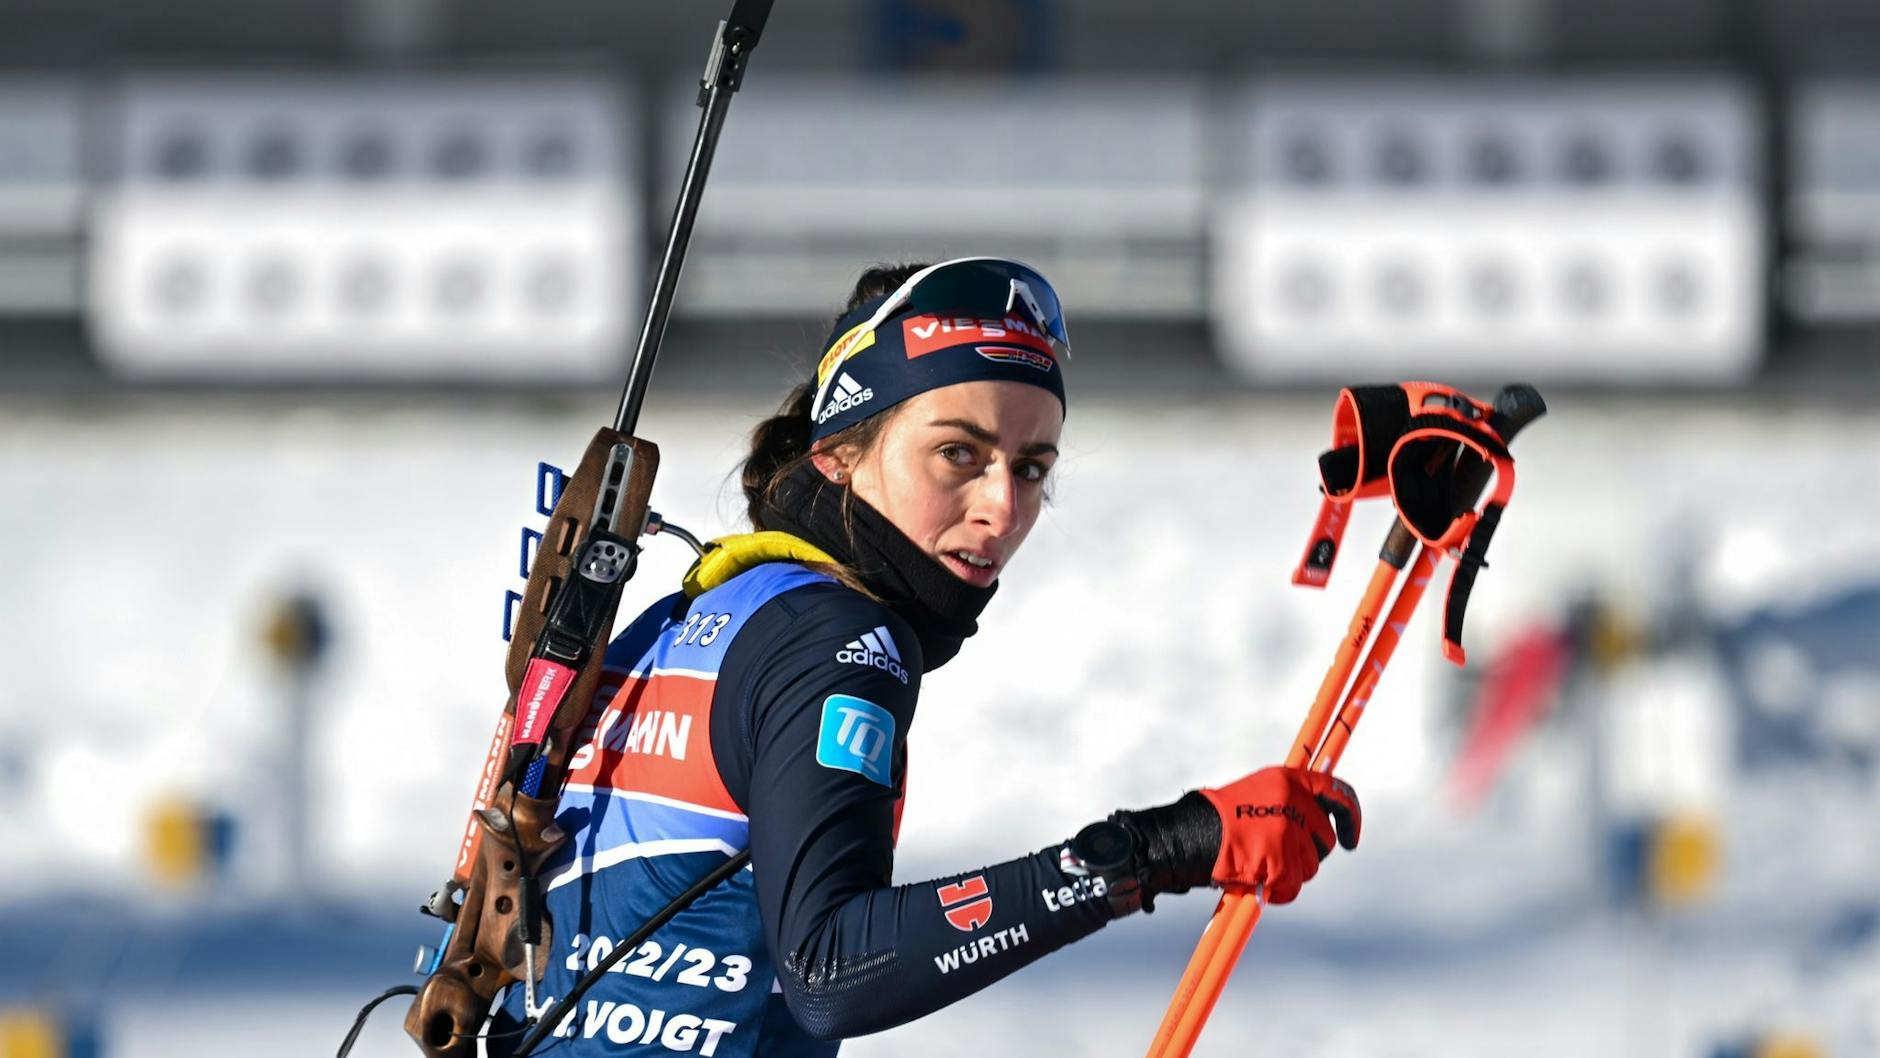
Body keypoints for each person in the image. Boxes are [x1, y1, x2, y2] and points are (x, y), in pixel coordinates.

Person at [490, 258, 1360, 1056]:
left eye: (1030, 467)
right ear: (838, 455)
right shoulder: (839, 642)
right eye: (958, 454)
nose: (1002, 509)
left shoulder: (700, 611)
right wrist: (1160, 848)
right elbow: (831, 969)